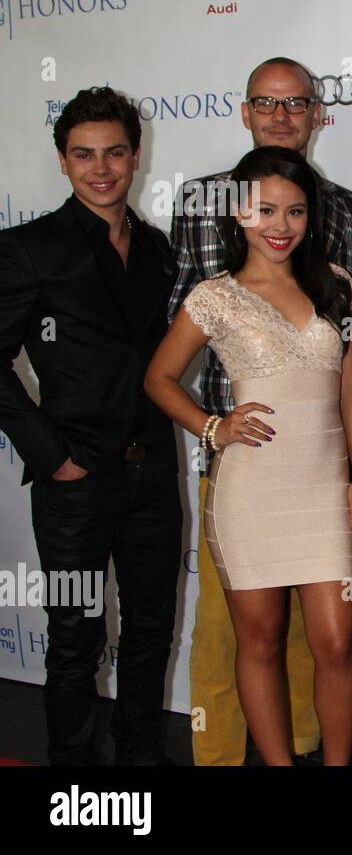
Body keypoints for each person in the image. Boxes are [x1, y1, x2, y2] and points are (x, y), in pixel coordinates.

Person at [168, 55, 352, 765]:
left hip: (325, 476)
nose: (278, 223)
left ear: (317, 113)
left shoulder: (340, 232)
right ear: (247, 110)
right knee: (237, 638)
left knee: (332, 642)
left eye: (297, 104)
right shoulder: (201, 222)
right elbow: (167, 363)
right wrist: (215, 426)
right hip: (245, 475)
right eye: (268, 103)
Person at [0, 87, 181, 766]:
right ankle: (73, 780)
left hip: (152, 475)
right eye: (84, 155)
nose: (100, 169)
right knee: (75, 637)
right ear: (62, 161)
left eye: (113, 153)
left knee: (151, 631)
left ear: (136, 157)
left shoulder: (160, 250)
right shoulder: (28, 249)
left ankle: (141, 763)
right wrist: (51, 457)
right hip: (74, 479)